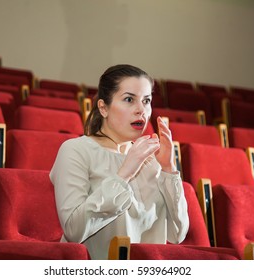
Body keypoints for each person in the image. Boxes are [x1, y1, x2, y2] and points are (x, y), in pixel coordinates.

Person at [50, 64, 189, 260]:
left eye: (146, 100)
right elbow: (74, 230)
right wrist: (124, 174)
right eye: (129, 99)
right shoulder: (75, 150)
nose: (141, 110)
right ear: (103, 108)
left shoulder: (152, 160)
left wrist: (168, 168)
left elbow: (177, 234)